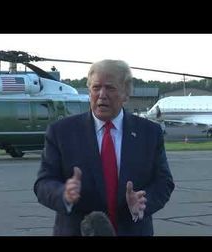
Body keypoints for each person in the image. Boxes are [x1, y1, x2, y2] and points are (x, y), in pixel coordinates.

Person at [34, 59, 175, 236]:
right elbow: (43, 183)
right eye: (96, 88)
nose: (102, 95)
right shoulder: (61, 132)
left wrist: (143, 202)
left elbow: (164, 182)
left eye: (110, 88)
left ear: (126, 93)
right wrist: (63, 193)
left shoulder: (149, 133)